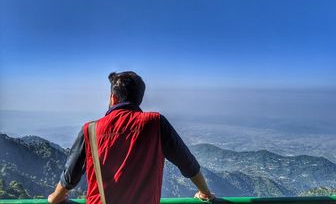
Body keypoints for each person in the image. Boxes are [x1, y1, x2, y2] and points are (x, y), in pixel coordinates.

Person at [48, 71, 214, 204]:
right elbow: (187, 162)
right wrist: (205, 193)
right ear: (139, 99)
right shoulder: (155, 123)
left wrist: (56, 197)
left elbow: (71, 173)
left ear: (113, 98)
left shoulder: (90, 129)